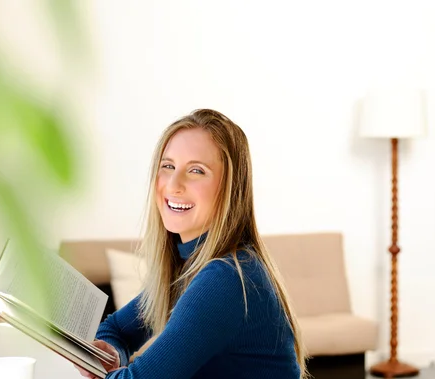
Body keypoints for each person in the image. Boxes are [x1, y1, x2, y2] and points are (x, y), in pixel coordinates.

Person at [76, 109, 307, 379]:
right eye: (168, 166)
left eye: (197, 170)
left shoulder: (225, 278)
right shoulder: (191, 267)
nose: (174, 184)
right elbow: (115, 330)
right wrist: (112, 353)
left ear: (231, 189)